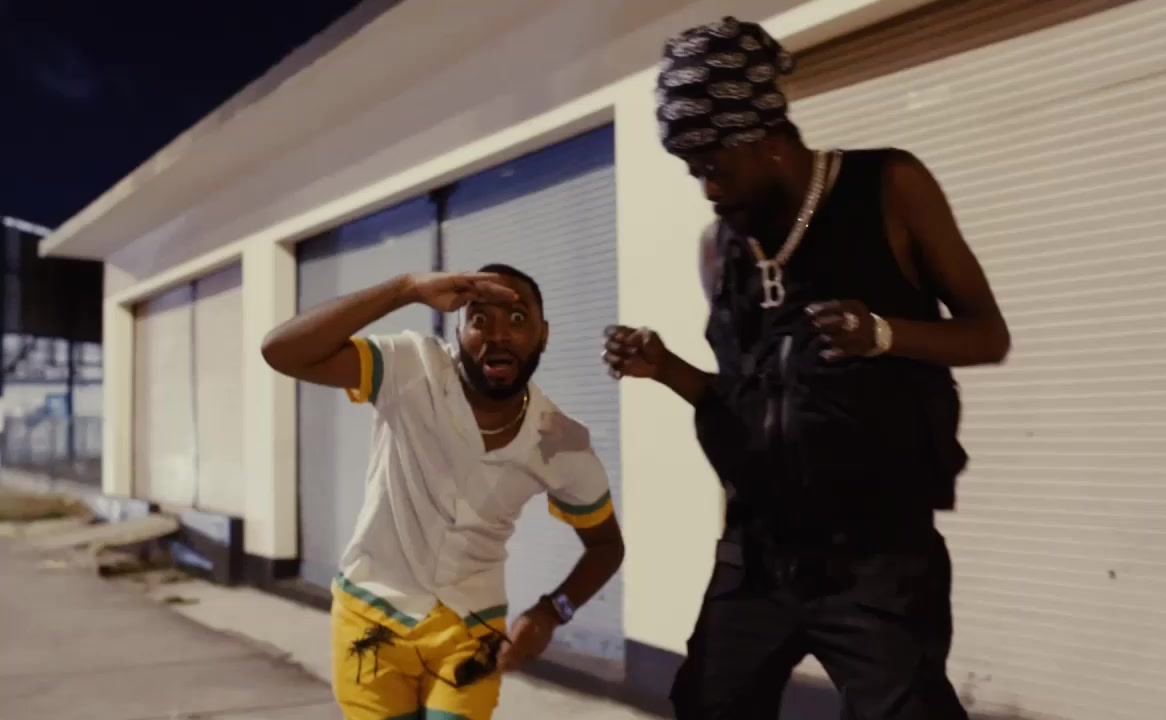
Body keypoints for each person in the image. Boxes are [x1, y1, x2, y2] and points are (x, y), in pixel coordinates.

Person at [604, 17, 1010, 720]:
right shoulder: (720, 248)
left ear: (765, 138)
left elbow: (987, 335)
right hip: (757, 552)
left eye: (713, 166)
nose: (706, 190)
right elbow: (745, 400)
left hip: (877, 554)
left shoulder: (889, 187)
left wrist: (882, 334)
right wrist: (666, 368)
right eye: (693, 171)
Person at [262, 265, 624, 720]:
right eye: (479, 319)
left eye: (516, 319)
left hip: (472, 629)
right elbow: (282, 351)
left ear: (543, 335)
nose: (498, 335)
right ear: (458, 331)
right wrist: (405, 288)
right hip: (370, 618)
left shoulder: (561, 440)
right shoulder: (409, 367)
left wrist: (552, 612)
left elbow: (606, 546)